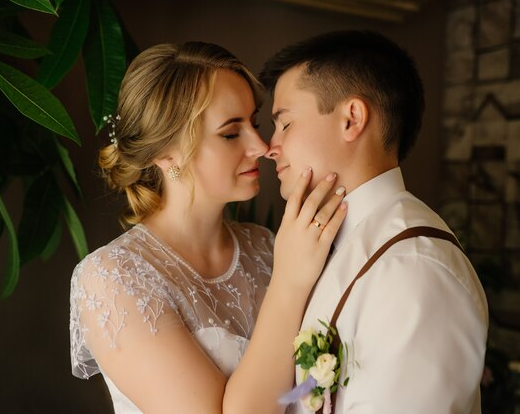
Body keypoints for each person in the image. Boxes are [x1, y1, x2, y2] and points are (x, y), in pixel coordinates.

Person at [69, 41, 347, 414]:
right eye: (232, 133)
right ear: (166, 153)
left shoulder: (268, 246)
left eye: (256, 123)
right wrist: (289, 282)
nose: (262, 146)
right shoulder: (112, 278)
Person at [259, 30, 489, 413]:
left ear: (352, 119)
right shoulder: (322, 246)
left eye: (284, 123)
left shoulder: (413, 267)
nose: (270, 147)